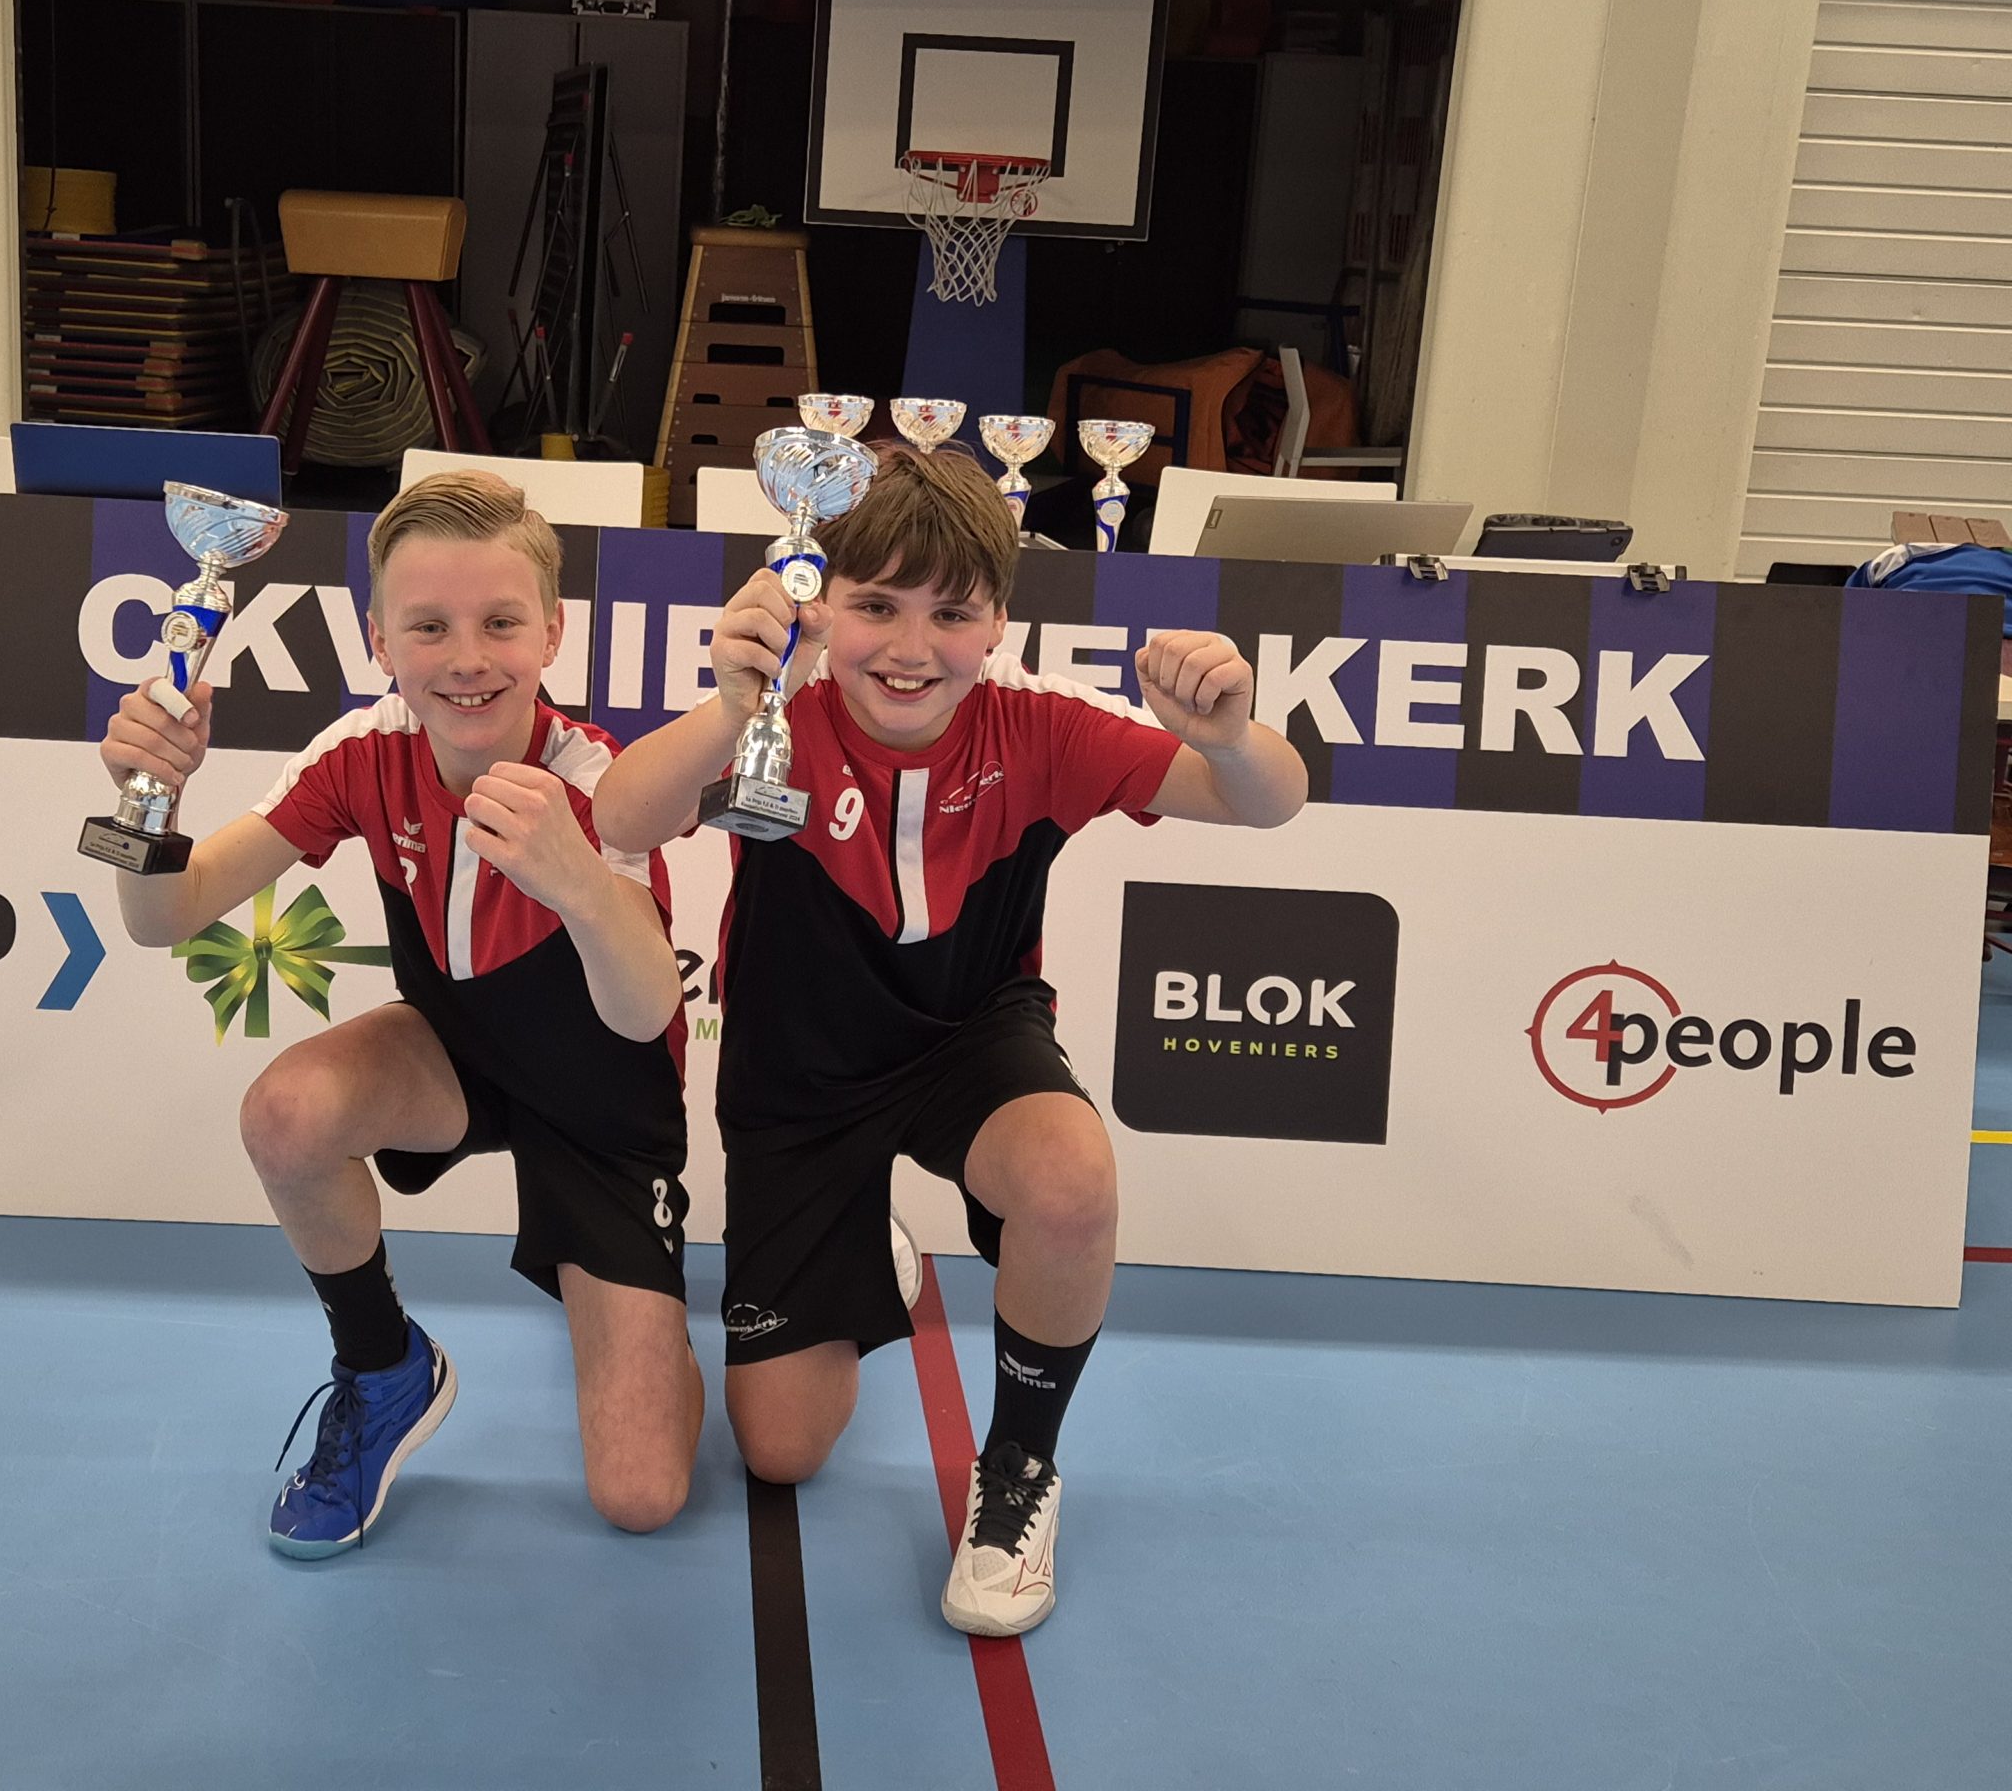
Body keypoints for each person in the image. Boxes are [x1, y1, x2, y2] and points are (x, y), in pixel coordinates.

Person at [594, 443, 1306, 1635]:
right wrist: (729, 704)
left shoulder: (1042, 725)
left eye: (952, 614)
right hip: (797, 1079)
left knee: (1070, 1181)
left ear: (997, 625)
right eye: (876, 605)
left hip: (967, 1041)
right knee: (779, 1449)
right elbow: (620, 816)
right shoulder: (778, 715)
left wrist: (1231, 734)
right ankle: (869, 1249)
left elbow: (1269, 799)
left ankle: (1019, 1467)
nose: (911, 646)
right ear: (821, 600)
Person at [98, 471, 701, 1557]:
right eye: (428, 627)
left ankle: (654, 1318)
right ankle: (383, 1371)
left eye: (500, 623)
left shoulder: (599, 778)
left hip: (605, 1109)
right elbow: (164, 916)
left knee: (640, 1495)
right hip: (455, 1058)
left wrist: (576, 879)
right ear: (380, 639)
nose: (467, 658)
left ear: (553, 633)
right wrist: (152, 799)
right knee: (288, 1112)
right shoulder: (364, 750)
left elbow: (645, 1010)